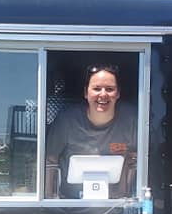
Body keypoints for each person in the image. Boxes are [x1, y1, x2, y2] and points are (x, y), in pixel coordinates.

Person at [46, 64, 137, 198]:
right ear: (85, 93)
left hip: (117, 206)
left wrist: (127, 198)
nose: (103, 94)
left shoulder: (132, 119)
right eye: (96, 88)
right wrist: (50, 201)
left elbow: (136, 160)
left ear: (118, 94)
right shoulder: (66, 120)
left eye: (110, 89)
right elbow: (50, 161)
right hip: (71, 206)